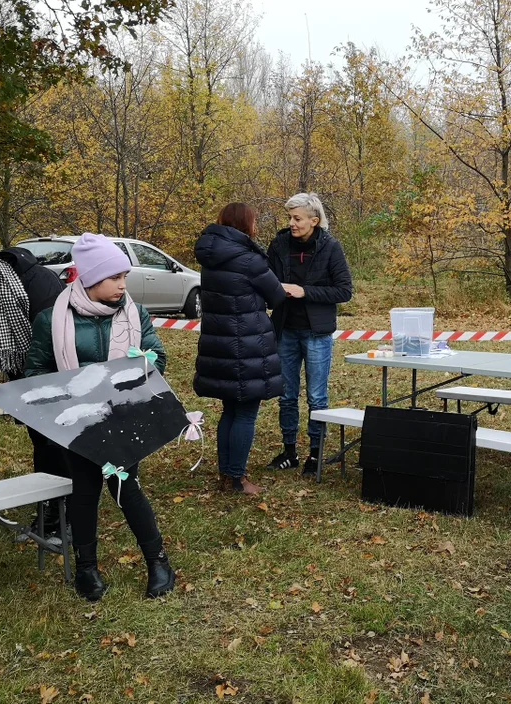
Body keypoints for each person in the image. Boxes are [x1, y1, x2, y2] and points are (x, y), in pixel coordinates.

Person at [24, 233, 174, 601]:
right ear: (89, 280)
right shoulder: (51, 319)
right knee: (84, 491)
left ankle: (157, 562)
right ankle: (86, 569)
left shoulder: (134, 314)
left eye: (124, 276)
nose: (122, 284)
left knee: (126, 486)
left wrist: (137, 367)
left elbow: (157, 358)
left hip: (123, 419)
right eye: (114, 278)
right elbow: (35, 373)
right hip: (77, 423)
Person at [194, 203, 288, 495]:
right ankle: (237, 479)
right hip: (248, 344)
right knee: (245, 413)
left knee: (229, 412)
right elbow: (276, 294)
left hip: (219, 343)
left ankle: (226, 476)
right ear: (247, 225)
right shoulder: (249, 260)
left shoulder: (210, 257)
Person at [0, 247, 67, 543]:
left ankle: (64, 516)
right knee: (41, 440)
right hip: (23, 374)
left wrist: (38, 392)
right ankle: (49, 511)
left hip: (56, 372)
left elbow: (58, 344)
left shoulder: (38, 287)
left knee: (57, 441)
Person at [266, 193, 353, 476]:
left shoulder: (331, 247)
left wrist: (305, 292)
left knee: (317, 397)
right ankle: (289, 451)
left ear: (314, 221)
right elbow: (265, 280)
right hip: (285, 330)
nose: (292, 223)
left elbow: (344, 291)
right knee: (287, 395)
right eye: (290, 217)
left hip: (317, 333)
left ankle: (315, 454)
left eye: (297, 218)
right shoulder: (278, 245)